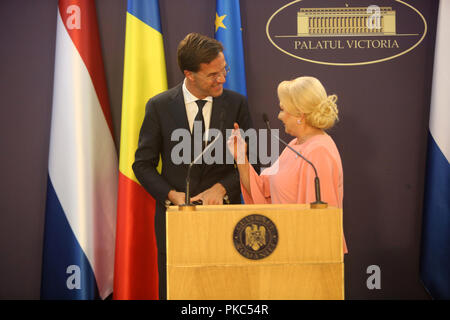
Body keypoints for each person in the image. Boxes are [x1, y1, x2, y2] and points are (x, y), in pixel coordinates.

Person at [133, 33, 254, 299]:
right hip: (177, 219)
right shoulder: (159, 106)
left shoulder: (236, 104)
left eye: (224, 70)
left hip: (225, 217)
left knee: (225, 291)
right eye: (213, 75)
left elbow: (253, 158)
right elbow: (142, 165)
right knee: (177, 289)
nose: (222, 78)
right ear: (189, 74)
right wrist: (172, 196)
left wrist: (222, 188)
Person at [228, 76, 347, 253]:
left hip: (306, 257)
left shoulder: (318, 152)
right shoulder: (294, 145)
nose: (279, 115)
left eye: (283, 109)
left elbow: (320, 221)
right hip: (285, 250)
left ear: (300, 115)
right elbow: (261, 190)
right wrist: (240, 157)